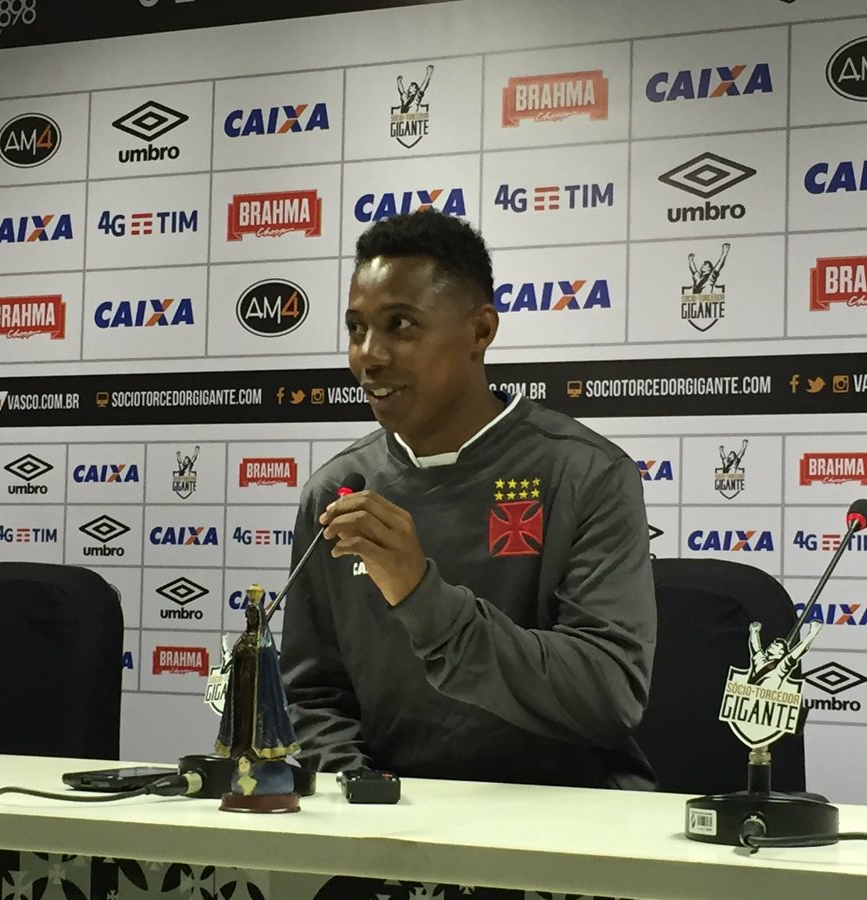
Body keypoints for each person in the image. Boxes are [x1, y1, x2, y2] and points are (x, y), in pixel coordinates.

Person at [279, 209, 657, 790]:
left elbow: (608, 693)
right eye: (356, 329)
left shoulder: (588, 474)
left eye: (400, 325)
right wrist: (360, 793)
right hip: (386, 819)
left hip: (558, 818)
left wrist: (421, 597)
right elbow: (312, 696)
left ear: (480, 331)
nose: (369, 355)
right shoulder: (336, 490)